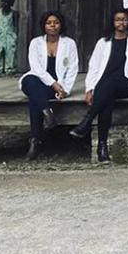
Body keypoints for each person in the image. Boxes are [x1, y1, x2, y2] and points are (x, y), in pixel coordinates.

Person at [70, 9, 128, 164]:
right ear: (112, 22)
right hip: (107, 86)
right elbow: (94, 67)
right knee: (106, 100)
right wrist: (89, 89)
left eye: (124, 20)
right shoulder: (103, 43)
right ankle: (102, 148)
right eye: (117, 20)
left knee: (110, 84)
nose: (121, 23)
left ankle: (87, 121)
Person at [19, 11, 79, 161]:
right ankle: (47, 112)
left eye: (56, 22)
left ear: (61, 25)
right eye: (49, 23)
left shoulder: (69, 43)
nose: (53, 26)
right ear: (44, 26)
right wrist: (53, 84)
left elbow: (73, 69)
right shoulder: (36, 43)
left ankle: (35, 140)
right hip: (39, 81)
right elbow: (36, 68)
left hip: (57, 87)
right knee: (29, 81)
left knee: (35, 99)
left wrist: (64, 89)